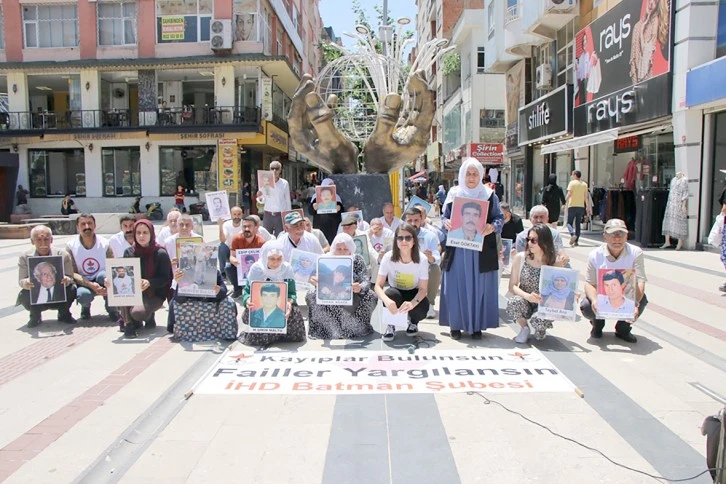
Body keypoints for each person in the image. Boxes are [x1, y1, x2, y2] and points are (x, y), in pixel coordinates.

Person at [439, 158, 503, 340]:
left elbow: (499, 218)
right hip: (457, 250)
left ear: (481, 175)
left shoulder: (489, 195)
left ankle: (476, 326)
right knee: (456, 285)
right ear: (462, 174)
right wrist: (446, 223)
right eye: (468, 173)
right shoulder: (454, 194)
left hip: (481, 251)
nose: (472, 177)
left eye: (475, 174)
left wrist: (492, 226)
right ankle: (455, 325)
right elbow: (444, 218)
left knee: (479, 287)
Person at [581, 219, 648, 343]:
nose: (617, 238)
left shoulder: (636, 253)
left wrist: (634, 304)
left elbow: (640, 281)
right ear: (605, 237)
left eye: (621, 234)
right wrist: (595, 300)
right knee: (587, 305)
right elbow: (589, 283)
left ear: (626, 236)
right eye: (613, 234)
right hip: (602, 295)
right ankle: (597, 325)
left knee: (642, 299)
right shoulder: (595, 255)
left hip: (625, 294)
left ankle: (623, 329)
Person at [307, 234, 377, 339]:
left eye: (345, 249)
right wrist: (315, 281)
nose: (342, 252)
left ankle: (357, 329)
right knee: (311, 294)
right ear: (333, 249)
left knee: (371, 295)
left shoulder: (357, 259)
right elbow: (315, 276)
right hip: (329, 293)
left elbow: (365, 279)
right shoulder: (325, 259)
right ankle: (326, 330)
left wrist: (360, 287)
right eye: (339, 249)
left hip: (353, 294)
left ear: (351, 250)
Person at [507, 224, 569, 343]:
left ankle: (540, 328)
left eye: (534, 240)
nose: (530, 243)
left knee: (539, 320)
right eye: (528, 239)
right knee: (514, 302)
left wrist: (570, 294)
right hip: (525, 299)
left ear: (544, 242)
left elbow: (563, 284)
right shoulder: (521, 258)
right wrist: (527, 296)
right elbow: (512, 286)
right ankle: (524, 328)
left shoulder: (555, 262)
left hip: (545, 302)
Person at [239, 240, 306, 346]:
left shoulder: (286, 269)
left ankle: (278, 334)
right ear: (265, 257)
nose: (276, 262)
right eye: (272, 259)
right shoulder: (256, 269)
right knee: (256, 326)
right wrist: (247, 300)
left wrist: (289, 302)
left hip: (280, 306)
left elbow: (291, 293)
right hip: (261, 306)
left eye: (279, 259)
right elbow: (247, 291)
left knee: (295, 318)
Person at [117, 220, 173, 338]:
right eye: (138, 233)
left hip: (155, 294)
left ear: (151, 234)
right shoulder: (129, 252)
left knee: (138, 313)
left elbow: (165, 278)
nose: (141, 236)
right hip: (134, 292)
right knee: (120, 292)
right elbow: (124, 275)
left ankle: (148, 316)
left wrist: (149, 283)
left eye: (145, 232)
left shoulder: (160, 253)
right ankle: (129, 324)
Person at [375, 223, 430, 342]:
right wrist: (387, 301)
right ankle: (391, 324)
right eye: (400, 238)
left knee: (423, 305)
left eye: (408, 238)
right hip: (396, 291)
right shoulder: (388, 257)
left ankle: (413, 322)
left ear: (414, 241)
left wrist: (412, 304)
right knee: (390, 294)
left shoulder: (422, 259)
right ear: (396, 241)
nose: (404, 241)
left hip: (414, 291)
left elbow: (423, 289)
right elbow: (378, 286)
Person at [17, 226, 76, 327]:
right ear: (32, 241)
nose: (43, 243)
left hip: (57, 292)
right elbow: (21, 280)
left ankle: (64, 313)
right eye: (39, 240)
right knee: (24, 294)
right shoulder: (25, 256)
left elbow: (71, 277)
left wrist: (67, 280)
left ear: (51, 240)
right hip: (37, 292)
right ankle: (35, 316)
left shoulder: (63, 255)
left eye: (46, 239)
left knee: (72, 289)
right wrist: (26, 283)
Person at [66, 214, 117, 321]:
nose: (87, 227)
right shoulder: (71, 246)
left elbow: (113, 265)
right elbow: (72, 273)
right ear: (77, 227)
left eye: (90, 223)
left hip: (102, 279)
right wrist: (90, 285)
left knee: (105, 277)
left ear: (95, 225)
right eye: (83, 224)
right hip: (83, 281)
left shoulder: (105, 243)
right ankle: (85, 308)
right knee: (83, 295)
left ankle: (112, 310)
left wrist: (107, 282)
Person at [404, 208, 441, 320]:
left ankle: (429, 304)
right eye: (409, 220)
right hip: (404, 269)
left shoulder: (430, 236)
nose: (413, 224)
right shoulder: (398, 234)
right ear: (405, 220)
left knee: (435, 268)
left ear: (421, 220)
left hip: (423, 270)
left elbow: (437, 258)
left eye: (416, 220)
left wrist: (430, 257)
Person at [629, 0, 670, 85]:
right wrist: (635, 86)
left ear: (658, 4)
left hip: (651, 81)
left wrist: (641, 33)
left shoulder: (656, 21)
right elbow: (633, 61)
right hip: (640, 84)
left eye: (655, 2)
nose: (651, 4)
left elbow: (646, 57)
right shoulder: (637, 26)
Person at [227, 216, 266, 297]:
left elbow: (264, 260)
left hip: (256, 268)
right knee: (228, 267)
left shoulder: (261, 241)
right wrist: (234, 261)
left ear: (256, 228)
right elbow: (231, 256)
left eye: (249, 226)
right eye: (244, 226)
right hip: (240, 266)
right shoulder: (236, 238)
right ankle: (237, 290)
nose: (246, 229)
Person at [259, 160, 291, 236]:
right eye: (272, 168)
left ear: (280, 170)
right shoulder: (264, 182)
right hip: (268, 214)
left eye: (277, 169)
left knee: (280, 237)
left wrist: (288, 216)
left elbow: (287, 200)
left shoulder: (284, 183)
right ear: (269, 170)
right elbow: (262, 201)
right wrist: (259, 196)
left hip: (279, 215)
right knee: (266, 237)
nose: (274, 171)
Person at [311, 178, 343, 244]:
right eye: (329, 185)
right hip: (320, 225)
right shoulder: (315, 197)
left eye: (332, 185)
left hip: (333, 227)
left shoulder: (337, 197)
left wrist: (339, 208)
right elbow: (310, 211)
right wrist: (313, 207)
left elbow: (341, 211)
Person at [565, 170, 591, 247]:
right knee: (578, 224)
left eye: (572, 174)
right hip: (581, 207)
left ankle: (572, 234)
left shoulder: (572, 183)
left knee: (569, 223)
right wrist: (587, 207)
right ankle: (576, 241)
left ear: (575, 175)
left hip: (572, 206)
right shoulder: (584, 184)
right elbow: (586, 197)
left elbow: (569, 193)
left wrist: (564, 201)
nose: (571, 176)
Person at [217, 206, 244, 279]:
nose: (237, 217)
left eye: (239, 214)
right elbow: (223, 240)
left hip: (241, 250)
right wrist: (220, 226)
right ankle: (222, 272)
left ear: (242, 215)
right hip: (229, 250)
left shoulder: (245, 224)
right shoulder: (226, 224)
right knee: (221, 246)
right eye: (234, 214)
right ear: (231, 215)